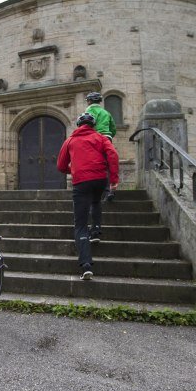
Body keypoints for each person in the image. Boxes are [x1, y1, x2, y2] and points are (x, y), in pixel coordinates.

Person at [57, 112, 119, 281]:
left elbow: (61, 165)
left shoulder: (70, 140)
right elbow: (112, 155)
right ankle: (97, 230)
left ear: (78, 125)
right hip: (100, 179)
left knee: (80, 224)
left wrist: (75, 169)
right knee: (96, 201)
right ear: (93, 125)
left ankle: (86, 265)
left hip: (81, 182)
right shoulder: (100, 138)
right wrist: (113, 180)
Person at [85, 91, 117, 201]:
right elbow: (113, 129)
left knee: (95, 163)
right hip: (107, 138)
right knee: (107, 164)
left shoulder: (89, 110)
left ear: (89, 101)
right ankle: (110, 190)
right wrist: (109, 136)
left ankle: (98, 190)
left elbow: (87, 124)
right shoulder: (106, 112)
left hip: (95, 139)